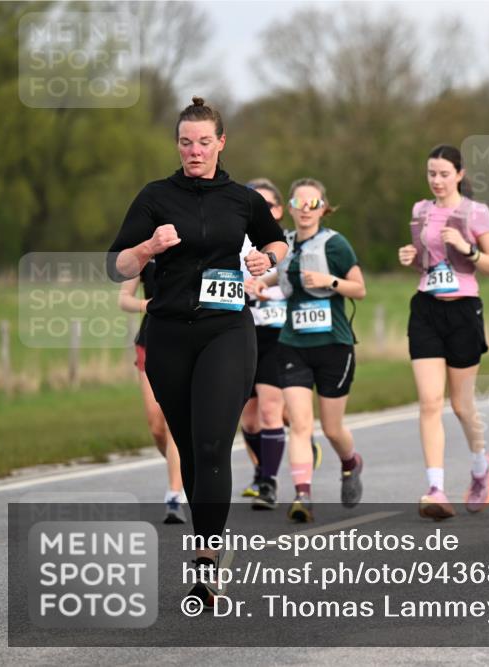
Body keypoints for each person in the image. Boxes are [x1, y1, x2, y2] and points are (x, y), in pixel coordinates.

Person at [107, 97, 287, 609]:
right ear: (178, 145)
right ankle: (207, 539)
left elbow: (278, 245)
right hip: (167, 333)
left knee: (211, 443)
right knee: (187, 445)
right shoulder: (155, 196)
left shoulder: (241, 200)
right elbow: (115, 266)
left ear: (221, 143)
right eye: (186, 142)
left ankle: (207, 561)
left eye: (204, 141)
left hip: (226, 330)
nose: (195, 150)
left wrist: (264, 260)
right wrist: (147, 250)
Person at [249, 178, 365, 523]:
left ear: (323, 208)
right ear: (292, 207)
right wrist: (261, 283)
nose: (305, 210)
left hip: (333, 345)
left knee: (331, 429)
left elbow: (359, 288)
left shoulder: (336, 244)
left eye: (313, 204)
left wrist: (330, 282)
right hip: (293, 344)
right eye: (299, 203)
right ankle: (302, 495)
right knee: (300, 423)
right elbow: (281, 275)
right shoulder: (283, 244)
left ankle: (350, 462)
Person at [397, 144, 489, 520]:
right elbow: (427, 262)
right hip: (426, 309)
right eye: (431, 173)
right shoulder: (420, 210)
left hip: (462, 311)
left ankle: (480, 465)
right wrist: (411, 258)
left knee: (461, 405)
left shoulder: (476, 212)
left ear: (459, 173)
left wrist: (468, 249)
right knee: (429, 401)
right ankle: (436, 488)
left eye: (444, 173)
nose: (437, 181)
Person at [238, 178, 297, 503]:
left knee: (270, 411)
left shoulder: (288, 244)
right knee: (248, 417)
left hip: (279, 334)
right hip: (243, 333)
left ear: (278, 210)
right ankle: (262, 471)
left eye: (269, 204)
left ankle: (269, 483)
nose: (263, 209)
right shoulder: (235, 242)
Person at [118, 262, 186, 524]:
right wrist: (145, 305)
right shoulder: (145, 252)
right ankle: (184, 468)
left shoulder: (194, 240)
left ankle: (174, 495)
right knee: (156, 426)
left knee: (172, 425)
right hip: (150, 341)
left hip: (183, 342)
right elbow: (123, 299)